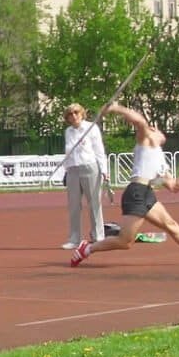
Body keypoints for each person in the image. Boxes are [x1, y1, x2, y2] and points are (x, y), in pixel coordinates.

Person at [69, 102, 179, 267]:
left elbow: (175, 187)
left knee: (172, 226)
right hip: (136, 193)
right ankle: (87, 248)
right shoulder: (145, 141)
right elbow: (140, 122)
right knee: (125, 242)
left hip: (147, 194)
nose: (156, 129)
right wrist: (116, 108)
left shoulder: (161, 161)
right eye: (154, 128)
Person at [62, 103, 108, 250]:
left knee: (94, 204)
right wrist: (66, 170)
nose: (73, 116)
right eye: (70, 114)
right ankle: (74, 239)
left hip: (90, 168)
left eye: (76, 112)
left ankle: (98, 236)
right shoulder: (68, 131)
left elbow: (99, 150)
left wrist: (104, 170)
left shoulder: (91, 128)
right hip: (73, 170)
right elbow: (68, 153)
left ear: (82, 114)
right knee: (74, 206)